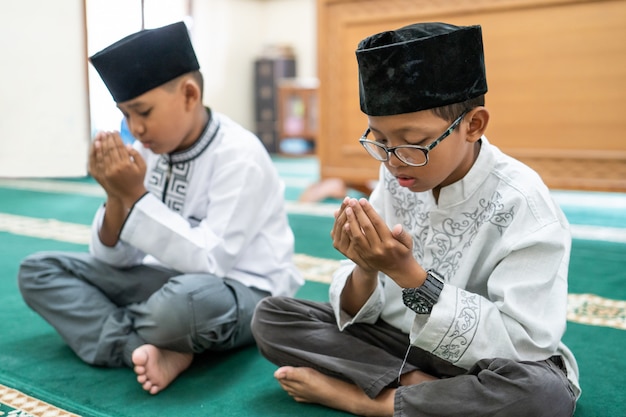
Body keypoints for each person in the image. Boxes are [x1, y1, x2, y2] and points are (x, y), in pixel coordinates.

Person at [251, 22, 580, 417]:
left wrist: (411, 277)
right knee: (273, 317)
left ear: (473, 125)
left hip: (487, 361)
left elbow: (526, 344)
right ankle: (417, 387)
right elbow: (360, 307)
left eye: (414, 143)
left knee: (543, 395)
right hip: (400, 343)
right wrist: (365, 268)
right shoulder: (399, 173)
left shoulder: (524, 204)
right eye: (381, 141)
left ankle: (369, 400)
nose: (392, 162)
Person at [18, 21, 303, 395]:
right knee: (38, 271)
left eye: (143, 112)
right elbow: (113, 261)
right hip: (161, 285)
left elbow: (211, 262)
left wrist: (135, 197)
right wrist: (116, 197)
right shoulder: (147, 153)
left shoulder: (240, 155)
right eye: (125, 114)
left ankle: (140, 335)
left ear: (188, 95)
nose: (135, 128)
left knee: (177, 310)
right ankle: (148, 348)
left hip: (239, 290)